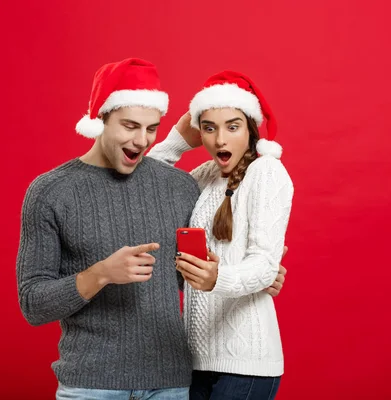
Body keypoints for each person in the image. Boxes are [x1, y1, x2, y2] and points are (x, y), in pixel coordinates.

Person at [16, 59, 288, 400]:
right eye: (130, 126)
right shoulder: (51, 192)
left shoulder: (179, 187)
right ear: (101, 118)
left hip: (171, 383)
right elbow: (33, 304)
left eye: (151, 129)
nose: (141, 140)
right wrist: (100, 274)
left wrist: (257, 271)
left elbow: (189, 268)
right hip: (91, 385)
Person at [148, 71, 294, 399]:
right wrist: (177, 140)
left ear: (251, 128)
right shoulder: (205, 175)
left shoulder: (266, 172)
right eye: (209, 128)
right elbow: (145, 190)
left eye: (232, 126)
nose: (220, 140)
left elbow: (264, 265)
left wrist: (219, 277)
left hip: (246, 364)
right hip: (195, 360)